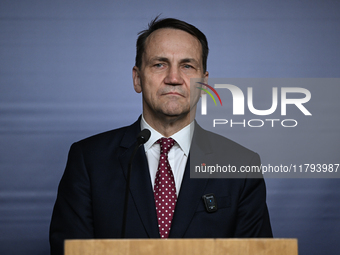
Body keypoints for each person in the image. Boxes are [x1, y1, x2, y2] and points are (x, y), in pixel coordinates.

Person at [49, 17, 272, 255]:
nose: (174, 78)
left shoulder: (242, 165)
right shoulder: (88, 159)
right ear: (137, 78)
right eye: (159, 64)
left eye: (187, 66)